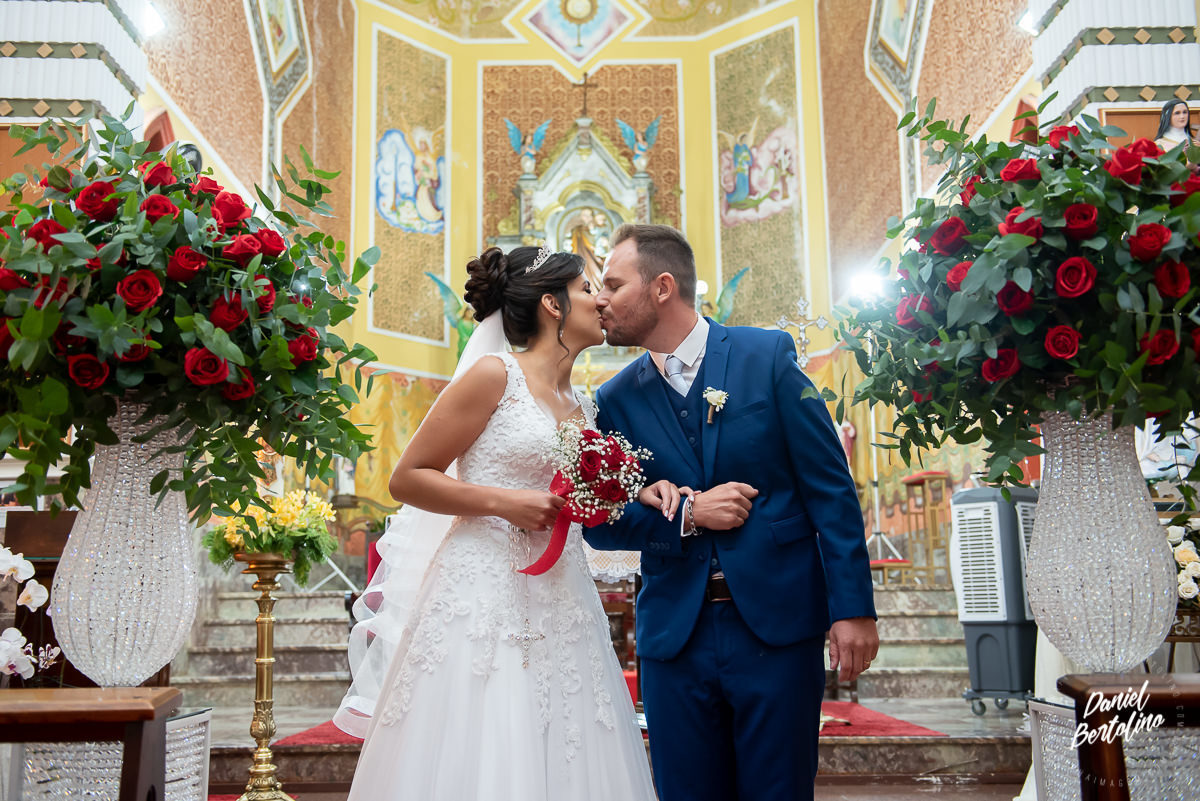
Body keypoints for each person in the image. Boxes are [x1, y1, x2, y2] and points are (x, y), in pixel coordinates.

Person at [335, 245, 672, 800]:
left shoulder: (584, 405)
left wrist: (634, 492)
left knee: (571, 733)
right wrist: (502, 502)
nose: (601, 301)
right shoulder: (495, 376)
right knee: (489, 730)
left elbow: (580, 499)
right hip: (484, 589)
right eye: (588, 289)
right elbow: (408, 477)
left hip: (563, 592)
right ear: (552, 304)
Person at [585, 223, 879, 801]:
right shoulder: (614, 400)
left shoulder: (764, 356)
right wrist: (689, 515)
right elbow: (602, 519)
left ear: (663, 286)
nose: (600, 300)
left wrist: (853, 608)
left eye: (613, 285)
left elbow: (829, 488)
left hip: (777, 624)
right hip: (675, 636)